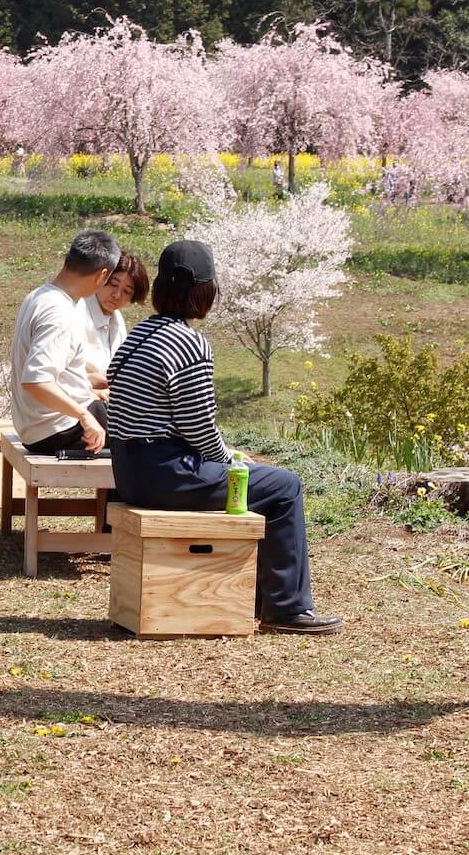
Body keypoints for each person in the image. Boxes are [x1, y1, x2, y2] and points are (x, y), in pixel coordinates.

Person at [105, 239, 342, 635]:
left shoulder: (139, 335)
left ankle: (258, 597)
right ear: (206, 292)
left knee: (264, 482)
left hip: (128, 472)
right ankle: (286, 608)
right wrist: (230, 459)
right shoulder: (189, 343)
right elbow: (198, 428)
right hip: (168, 474)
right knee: (285, 486)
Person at [10, 230, 119, 454]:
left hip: (38, 427)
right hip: (58, 430)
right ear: (102, 275)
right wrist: (84, 415)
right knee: (149, 433)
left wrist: (89, 380)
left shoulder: (39, 296)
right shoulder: (60, 313)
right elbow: (36, 381)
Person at [80, 251, 150, 377]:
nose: (117, 295)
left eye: (127, 291)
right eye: (113, 284)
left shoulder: (117, 321)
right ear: (101, 277)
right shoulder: (77, 312)